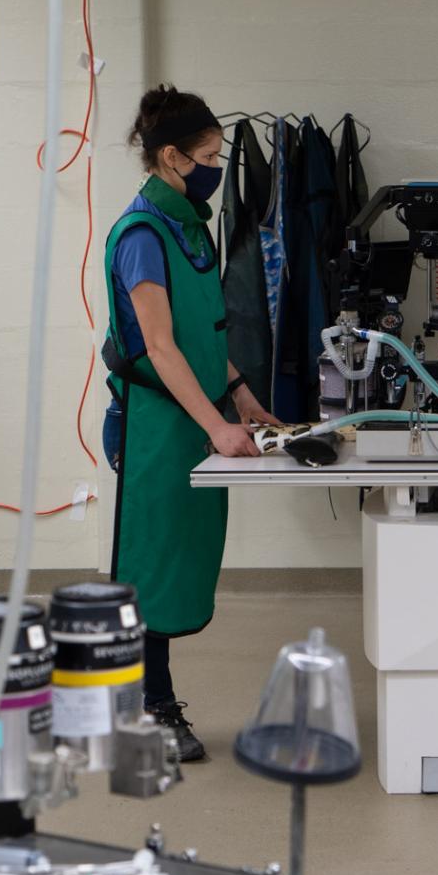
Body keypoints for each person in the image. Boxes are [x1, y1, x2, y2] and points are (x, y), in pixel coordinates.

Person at [101, 85, 281, 761]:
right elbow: (159, 347)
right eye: (207, 155)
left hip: (197, 416)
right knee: (151, 566)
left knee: (178, 562)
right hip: (156, 423)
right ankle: (149, 710)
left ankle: (152, 702)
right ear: (171, 157)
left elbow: (203, 330)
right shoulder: (143, 235)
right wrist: (215, 425)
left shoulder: (188, 222)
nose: (216, 164)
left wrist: (240, 396)